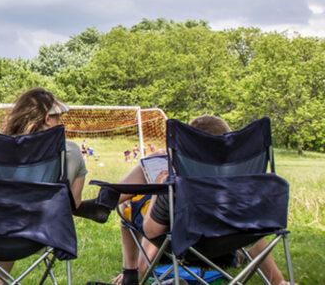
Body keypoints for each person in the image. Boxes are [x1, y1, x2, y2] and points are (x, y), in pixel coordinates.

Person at [84, 116, 289, 285]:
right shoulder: (245, 185)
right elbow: (257, 232)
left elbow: (151, 230)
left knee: (130, 206)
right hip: (232, 243)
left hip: (185, 243)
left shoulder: (176, 188)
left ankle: (108, 207)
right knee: (246, 227)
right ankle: (279, 282)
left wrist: (161, 188)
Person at [0, 87, 91, 285]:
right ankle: (0, 281)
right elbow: (73, 204)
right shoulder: (71, 151)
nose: (60, 122)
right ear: (48, 119)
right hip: (37, 236)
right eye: (58, 118)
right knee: (19, 212)